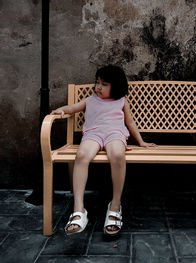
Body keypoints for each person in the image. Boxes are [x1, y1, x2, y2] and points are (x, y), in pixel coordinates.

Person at [51, 65, 155, 236]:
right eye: (97, 82)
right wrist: (61, 111)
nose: (98, 87)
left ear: (116, 86)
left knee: (117, 154)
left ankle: (115, 205)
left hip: (115, 134)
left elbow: (130, 123)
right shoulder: (90, 100)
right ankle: (79, 210)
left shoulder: (121, 101)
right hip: (93, 134)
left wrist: (141, 141)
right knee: (82, 155)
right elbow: (72, 108)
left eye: (104, 84)